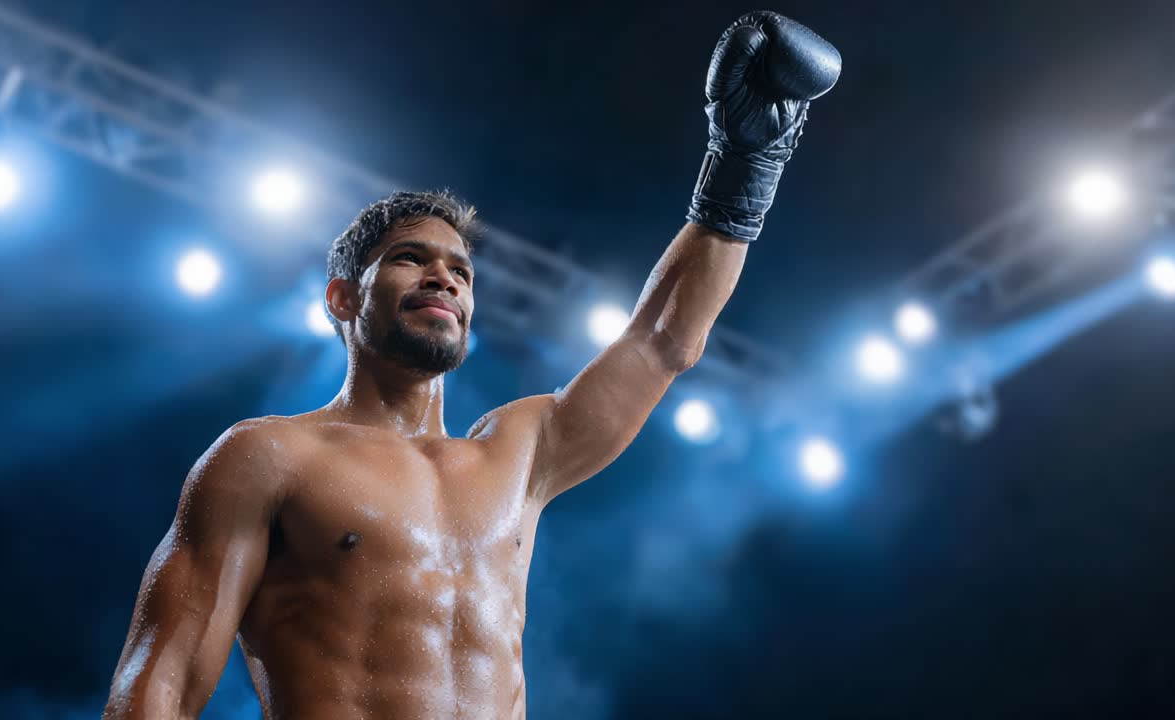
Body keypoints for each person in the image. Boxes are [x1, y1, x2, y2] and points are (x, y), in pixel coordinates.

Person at [103, 11, 840, 719]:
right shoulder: (267, 457)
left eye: (460, 270)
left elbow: (662, 342)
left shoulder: (518, 453)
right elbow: (161, 685)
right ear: (342, 297)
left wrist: (745, 163)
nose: (444, 278)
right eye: (410, 258)